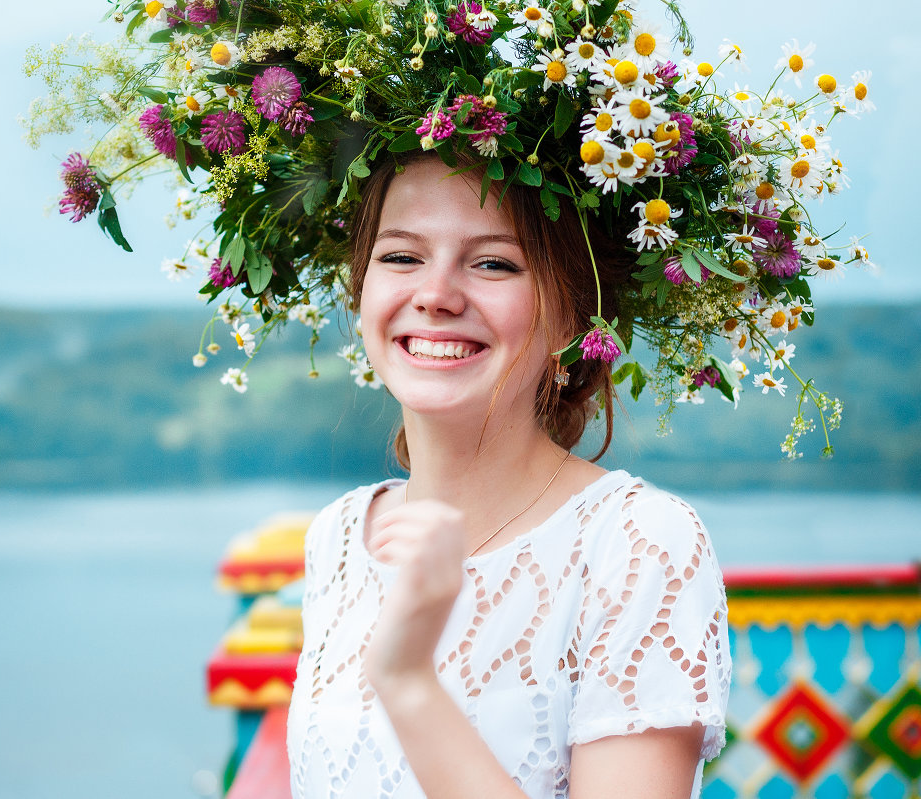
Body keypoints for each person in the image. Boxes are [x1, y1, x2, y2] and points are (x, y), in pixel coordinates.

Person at [285, 154, 732, 799]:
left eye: (493, 262)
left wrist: (409, 680)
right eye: (401, 257)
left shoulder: (635, 544)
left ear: (573, 313)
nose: (435, 295)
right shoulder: (338, 537)